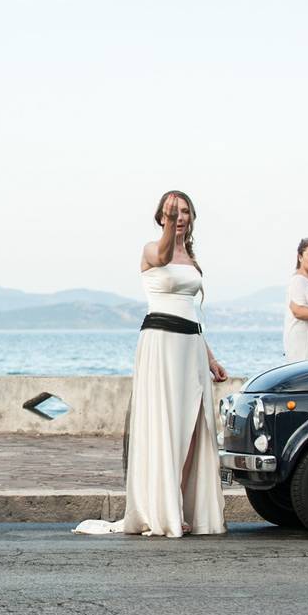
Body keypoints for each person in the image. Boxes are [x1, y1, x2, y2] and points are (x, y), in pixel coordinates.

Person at [75, 190, 227, 537]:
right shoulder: (151, 250)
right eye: (174, 212)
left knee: (193, 426)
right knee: (166, 423)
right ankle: (164, 508)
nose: (181, 217)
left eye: (186, 211)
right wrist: (170, 226)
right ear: (161, 216)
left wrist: (212, 358)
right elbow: (161, 253)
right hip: (161, 342)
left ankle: (182, 505)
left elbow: (194, 315)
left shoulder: (191, 256)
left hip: (191, 344)